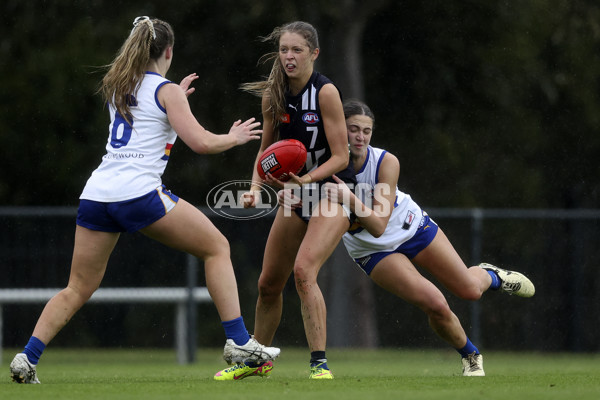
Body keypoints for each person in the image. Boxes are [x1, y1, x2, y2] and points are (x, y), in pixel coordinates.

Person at [9, 16, 280, 384]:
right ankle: (239, 342)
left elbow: (146, 121)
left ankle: (27, 358)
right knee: (216, 247)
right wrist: (233, 137)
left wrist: (175, 101)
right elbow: (200, 142)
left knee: (77, 287)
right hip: (137, 193)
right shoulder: (165, 90)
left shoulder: (119, 86)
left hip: (97, 195)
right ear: (168, 51)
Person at [318, 99, 535, 376]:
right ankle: (471, 356)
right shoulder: (323, 165)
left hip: (411, 227)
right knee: (435, 304)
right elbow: (303, 196)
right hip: (372, 251)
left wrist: (347, 198)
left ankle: (492, 276)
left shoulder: (385, 162)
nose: (360, 137)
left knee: (468, 290)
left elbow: (379, 225)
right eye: (353, 129)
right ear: (339, 129)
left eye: (366, 130)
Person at [214, 21, 356, 381]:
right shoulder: (273, 96)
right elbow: (265, 153)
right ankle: (255, 358)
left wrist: (304, 180)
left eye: (296, 50)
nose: (288, 57)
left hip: (332, 193)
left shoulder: (325, 93)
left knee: (304, 271)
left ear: (314, 54)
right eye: (283, 50)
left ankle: (319, 363)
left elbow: (341, 156)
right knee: (267, 284)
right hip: (296, 196)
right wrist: (253, 187)